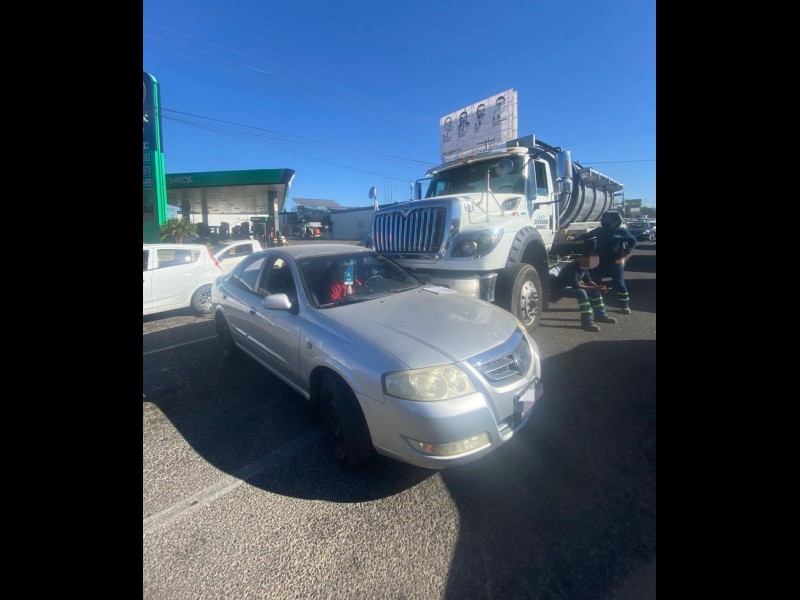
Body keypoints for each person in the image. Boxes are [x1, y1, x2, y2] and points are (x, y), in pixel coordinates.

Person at [569, 211, 637, 314]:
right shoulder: (600, 230)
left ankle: (624, 306)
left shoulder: (621, 231)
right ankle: (594, 304)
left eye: (607, 219)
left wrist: (627, 251)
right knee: (595, 283)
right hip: (599, 262)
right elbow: (587, 235)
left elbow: (633, 241)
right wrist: (574, 238)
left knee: (619, 283)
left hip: (615, 262)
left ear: (615, 221)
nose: (604, 221)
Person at [556, 252, 618, 332]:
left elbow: (588, 281)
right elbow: (576, 286)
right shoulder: (573, 267)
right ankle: (586, 322)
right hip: (561, 289)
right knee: (581, 293)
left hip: (572, 287)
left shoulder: (585, 266)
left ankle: (600, 315)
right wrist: (596, 287)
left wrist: (598, 287)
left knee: (595, 291)